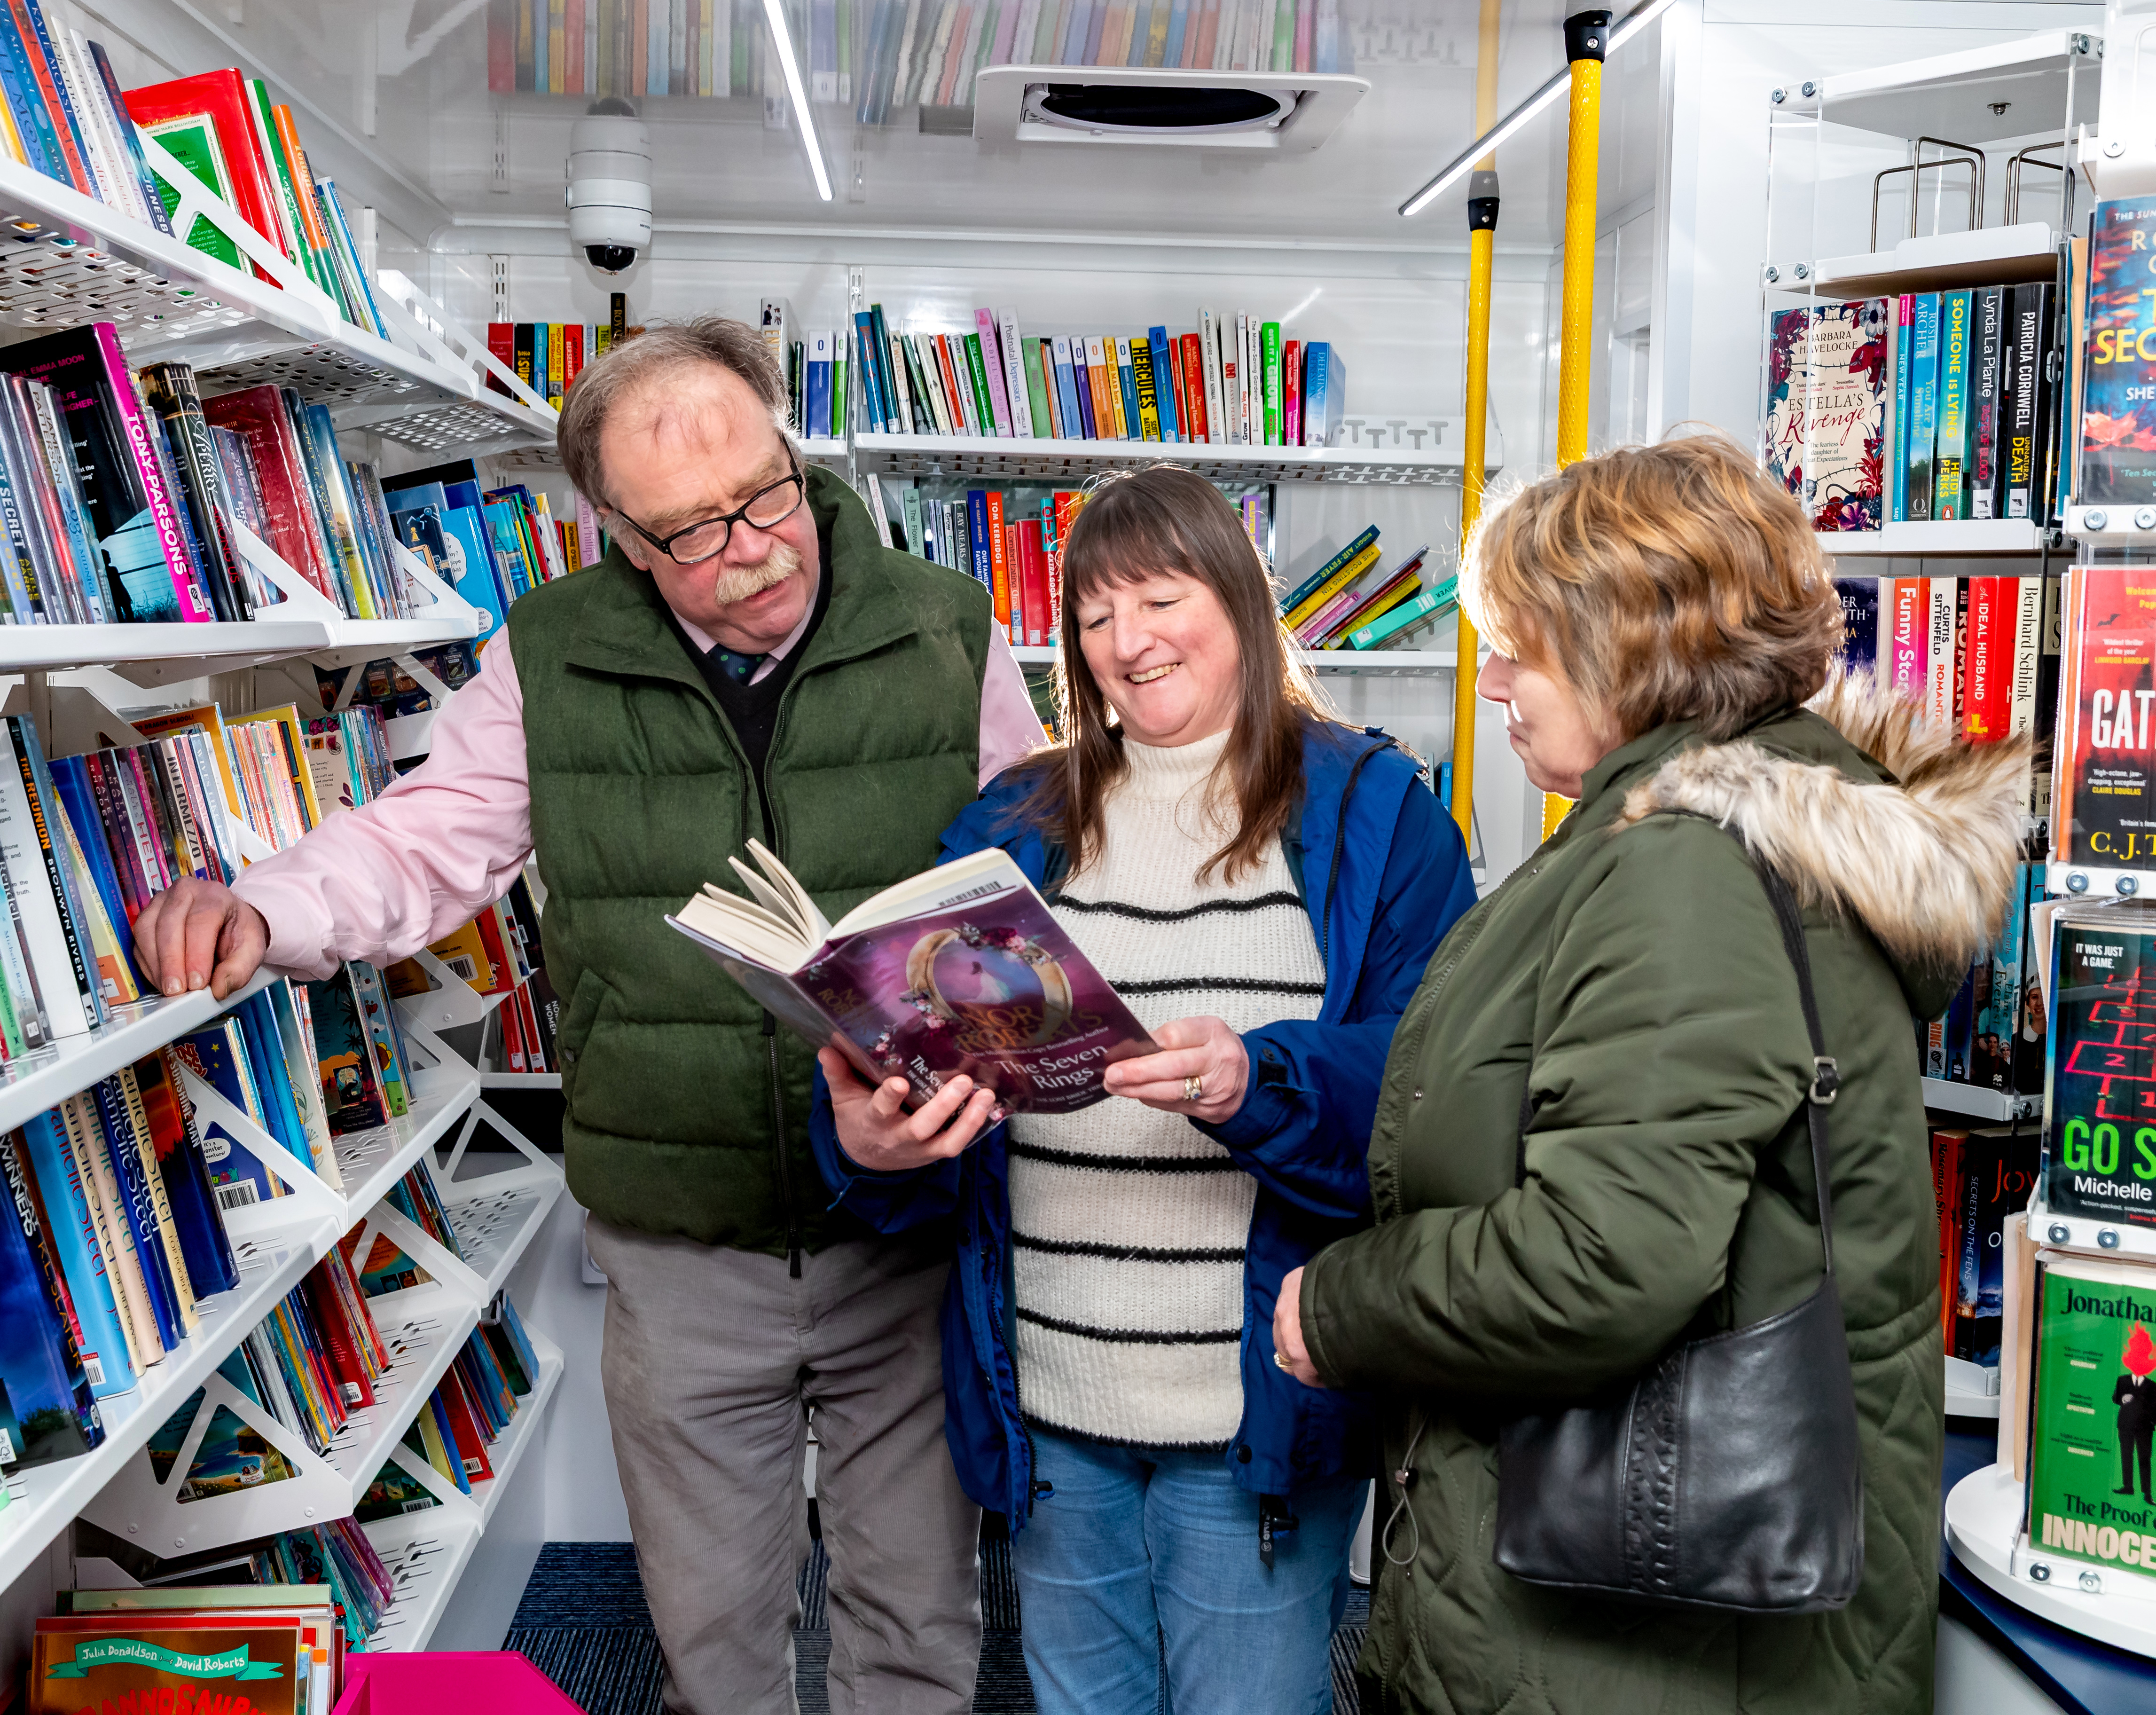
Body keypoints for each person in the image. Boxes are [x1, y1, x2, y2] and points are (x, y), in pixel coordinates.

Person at [129, 317, 1050, 1715]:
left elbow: (1025, 862)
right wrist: (269, 908)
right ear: (616, 533)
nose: (756, 550)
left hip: (910, 1226)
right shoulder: (548, 653)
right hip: (679, 1236)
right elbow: (428, 837)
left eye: (768, 495)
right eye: (693, 533)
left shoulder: (944, 622)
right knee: (710, 1636)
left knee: (919, 1618)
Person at [1271, 434, 2029, 1715]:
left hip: (1639, 1635)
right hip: (1620, 1615)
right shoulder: (1696, 835)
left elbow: (1600, 1261)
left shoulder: (1688, 871)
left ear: (1635, 645)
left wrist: (1338, 1309)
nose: (1496, 676)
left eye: (1523, 642)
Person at [809, 464, 1475, 1715]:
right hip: (1051, 1403)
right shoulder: (1009, 824)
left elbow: (1436, 1093)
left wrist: (1256, 1079)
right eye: (1097, 615)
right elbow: (917, 1066)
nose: (1128, 642)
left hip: (1257, 1416)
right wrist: (872, 1138)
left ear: (1239, 604)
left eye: (1161, 598)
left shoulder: (1377, 812)